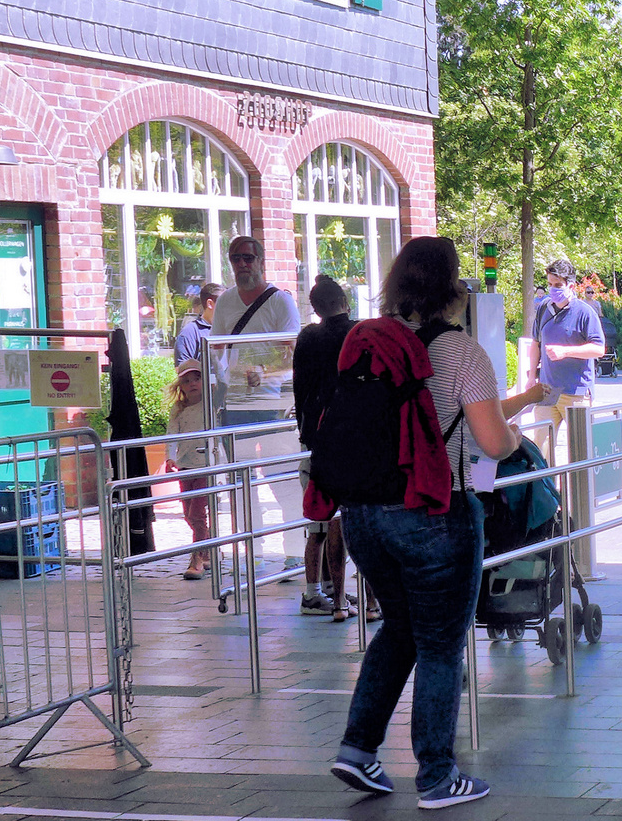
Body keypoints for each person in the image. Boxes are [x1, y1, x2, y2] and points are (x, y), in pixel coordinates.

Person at [328, 237, 525, 809]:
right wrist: (512, 434)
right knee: (441, 644)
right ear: (452, 287)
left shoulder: (367, 342)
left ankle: (358, 750)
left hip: (363, 515)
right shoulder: (460, 351)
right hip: (435, 512)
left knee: (400, 628)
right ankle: (438, 775)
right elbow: (492, 442)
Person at [212, 235, 304, 572]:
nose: (242, 265)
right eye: (236, 258)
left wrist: (265, 373)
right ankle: (251, 548)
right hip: (235, 404)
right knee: (240, 478)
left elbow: (294, 353)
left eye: (248, 258)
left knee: (281, 476)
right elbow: (217, 348)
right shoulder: (225, 302)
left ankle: (295, 549)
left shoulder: (280, 302)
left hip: (274, 402)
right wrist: (221, 376)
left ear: (261, 261)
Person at [293, 276, 360, 622]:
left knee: (319, 519)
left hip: (313, 440)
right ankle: (342, 597)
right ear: (345, 302)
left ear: (315, 308)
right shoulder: (358, 332)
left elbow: (299, 388)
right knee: (342, 520)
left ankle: (314, 593)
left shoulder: (307, 337)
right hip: (351, 439)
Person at [529, 258, 606, 451]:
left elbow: (599, 349)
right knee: (541, 451)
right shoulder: (543, 309)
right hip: (548, 390)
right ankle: (546, 481)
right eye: (549, 284)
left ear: (571, 285)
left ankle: (579, 482)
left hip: (576, 392)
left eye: (557, 285)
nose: (552, 289)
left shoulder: (585, 313)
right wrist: (531, 377)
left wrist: (565, 352)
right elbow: (535, 344)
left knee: (580, 451)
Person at [164, 359, 222, 581]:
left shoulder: (210, 404)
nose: (192, 384)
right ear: (180, 386)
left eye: (197, 378)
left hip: (206, 465)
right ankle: (209, 547)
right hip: (185, 465)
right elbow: (171, 434)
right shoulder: (178, 409)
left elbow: (224, 385)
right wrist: (170, 457)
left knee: (197, 512)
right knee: (189, 514)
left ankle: (197, 557)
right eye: (187, 381)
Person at [175, 282, 224, 364]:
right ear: (210, 304)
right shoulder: (190, 333)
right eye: (224, 303)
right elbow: (184, 371)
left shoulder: (232, 329)